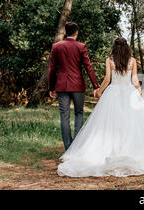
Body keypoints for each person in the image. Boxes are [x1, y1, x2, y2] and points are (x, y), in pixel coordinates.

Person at [57, 37, 144, 177]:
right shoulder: (132, 61)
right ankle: (127, 148)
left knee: (110, 123)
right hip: (129, 93)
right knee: (130, 123)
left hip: (113, 93)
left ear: (114, 47)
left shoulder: (110, 60)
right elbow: (134, 80)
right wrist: (140, 94)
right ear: (127, 47)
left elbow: (108, 79)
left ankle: (111, 148)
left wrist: (99, 90)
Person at [48, 22, 101, 151]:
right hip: (77, 85)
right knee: (79, 113)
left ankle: (68, 147)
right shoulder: (81, 46)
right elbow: (88, 67)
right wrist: (96, 85)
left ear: (65, 32)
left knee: (64, 116)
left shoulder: (56, 46)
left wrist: (51, 87)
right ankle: (76, 148)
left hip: (61, 86)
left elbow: (52, 69)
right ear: (76, 32)